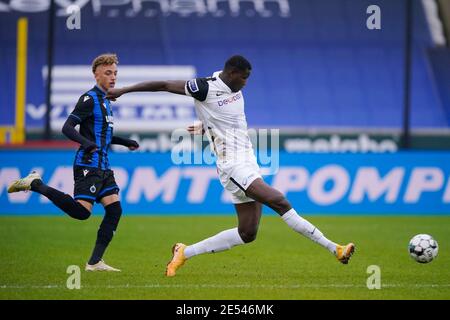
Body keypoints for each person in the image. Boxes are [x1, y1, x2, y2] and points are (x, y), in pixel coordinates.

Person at [106, 55, 355, 277]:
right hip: (232, 165)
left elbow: (229, 120)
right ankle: (335, 248)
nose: (246, 83)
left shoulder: (234, 90)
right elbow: (162, 85)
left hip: (248, 160)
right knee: (279, 201)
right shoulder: (204, 87)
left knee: (247, 233)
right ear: (233, 73)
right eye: (244, 78)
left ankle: (184, 252)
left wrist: (206, 127)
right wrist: (123, 91)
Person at [8, 53, 139, 272]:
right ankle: (35, 184)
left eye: (115, 73)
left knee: (114, 210)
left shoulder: (107, 101)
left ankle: (95, 262)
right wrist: (87, 144)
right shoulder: (89, 99)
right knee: (82, 212)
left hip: (103, 165)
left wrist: (125, 142)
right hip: (88, 163)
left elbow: (103, 136)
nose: (113, 77)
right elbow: (67, 128)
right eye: (108, 73)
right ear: (96, 75)